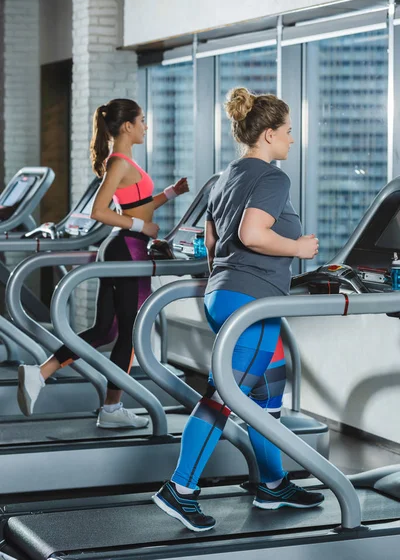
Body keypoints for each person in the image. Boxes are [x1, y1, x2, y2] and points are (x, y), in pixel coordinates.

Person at [153, 87, 323, 532]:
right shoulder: (273, 177)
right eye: (287, 131)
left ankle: (272, 483)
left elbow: (211, 241)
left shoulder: (223, 176)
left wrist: (226, 278)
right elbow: (252, 233)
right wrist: (299, 248)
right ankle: (181, 488)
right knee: (225, 395)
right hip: (251, 299)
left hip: (227, 295)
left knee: (268, 392)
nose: (291, 139)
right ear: (267, 135)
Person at [17, 98, 189, 429]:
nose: (145, 126)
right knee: (131, 333)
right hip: (128, 248)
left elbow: (137, 205)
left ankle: (40, 373)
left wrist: (170, 193)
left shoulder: (123, 162)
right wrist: (142, 228)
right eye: (142, 121)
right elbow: (100, 211)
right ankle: (112, 409)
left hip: (122, 247)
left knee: (106, 329)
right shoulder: (120, 163)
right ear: (127, 126)